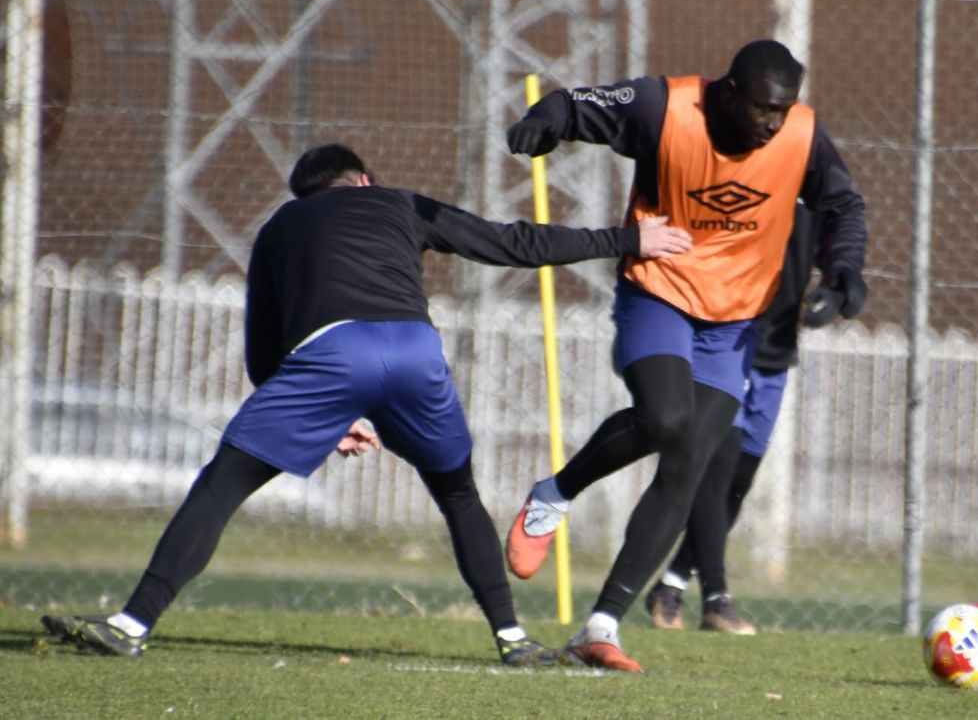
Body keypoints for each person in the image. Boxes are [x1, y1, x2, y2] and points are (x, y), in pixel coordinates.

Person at [39, 143, 692, 665]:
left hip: (331, 354)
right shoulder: (399, 204)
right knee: (459, 494)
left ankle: (131, 623)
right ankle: (513, 639)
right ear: (363, 180)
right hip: (415, 348)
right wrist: (626, 240)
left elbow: (264, 354)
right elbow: (511, 243)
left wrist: (326, 420)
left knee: (222, 483)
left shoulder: (279, 228)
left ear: (308, 197)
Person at [502, 40, 867, 671]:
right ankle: (554, 494)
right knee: (667, 418)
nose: (775, 122)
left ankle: (602, 625)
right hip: (659, 295)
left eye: (785, 108)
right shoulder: (664, 107)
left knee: (690, 460)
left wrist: (843, 276)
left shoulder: (803, 135)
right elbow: (576, 102)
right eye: (763, 109)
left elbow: (843, 206)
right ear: (729, 93)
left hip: (732, 324)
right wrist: (545, 123)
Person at [644, 202, 866, 635]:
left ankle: (670, 585)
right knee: (716, 469)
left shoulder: (813, 167)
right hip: (725, 337)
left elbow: (842, 224)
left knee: (738, 481)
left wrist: (839, 284)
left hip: (776, 348)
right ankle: (715, 599)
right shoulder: (737, 165)